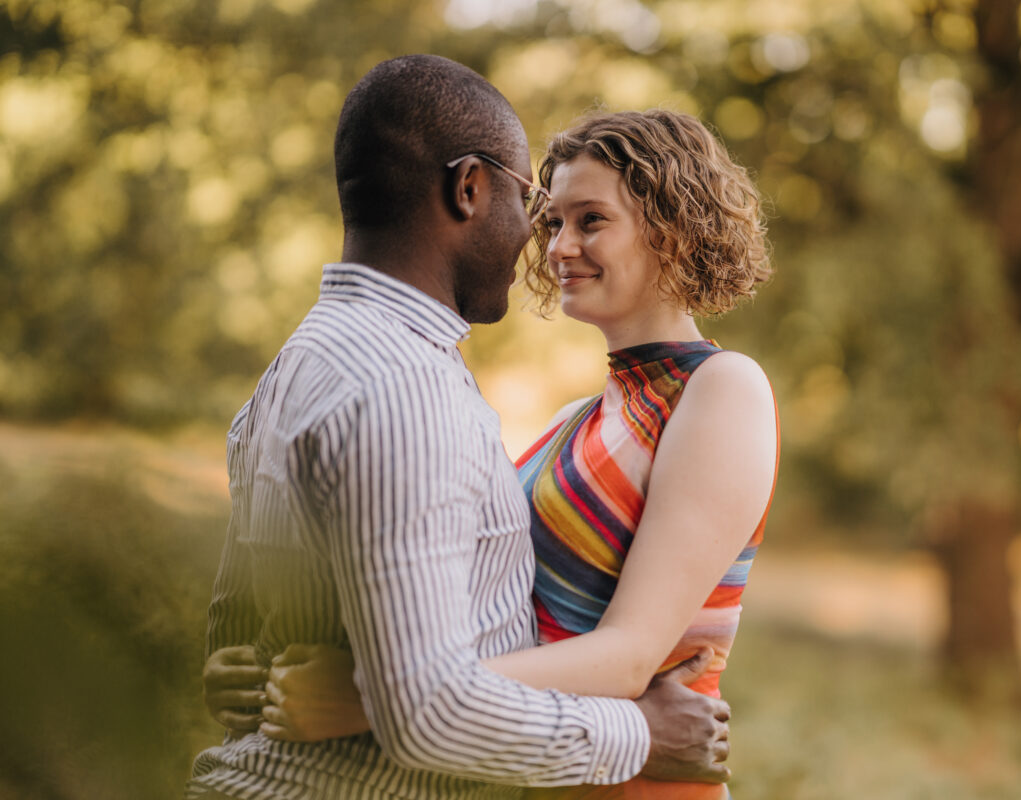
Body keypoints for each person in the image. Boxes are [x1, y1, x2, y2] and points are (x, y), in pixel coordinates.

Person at [187, 57, 735, 800]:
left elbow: (620, 650)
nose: (547, 243)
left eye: (588, 220)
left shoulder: (299, 365)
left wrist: (362, 696)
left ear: (669, 229)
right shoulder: (431, 391)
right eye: (541, 212)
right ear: (467, 188)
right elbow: (397, 689)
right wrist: (640, 734)